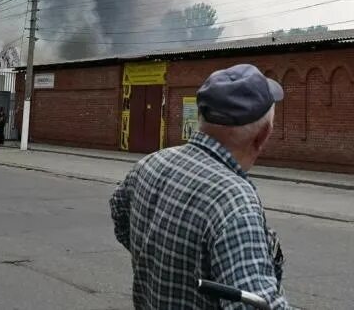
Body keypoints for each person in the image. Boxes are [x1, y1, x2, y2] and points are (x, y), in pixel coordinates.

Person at [110, 64, 288, 309]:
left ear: (201, 117)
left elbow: (120, 215)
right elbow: (255, 304)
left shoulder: (150, 163)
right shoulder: (234, 202)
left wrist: (163, 264)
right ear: (263, 135)